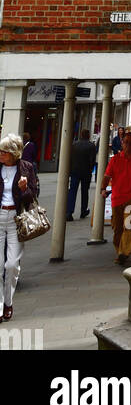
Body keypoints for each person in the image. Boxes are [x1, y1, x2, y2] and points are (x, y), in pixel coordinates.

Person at [0, 133, 39, 321]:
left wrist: (24, 189)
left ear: (14, 153)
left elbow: (33, 197)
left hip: (16, 219)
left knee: (12, 265)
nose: (0, 154)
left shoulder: (26, 168)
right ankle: (0, 307)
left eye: (4, 152)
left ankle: (8, 301)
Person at [100, 131, 131, 264]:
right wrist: (103, 189)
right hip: (117, 199)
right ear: (122, 143)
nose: (128, 145)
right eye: (126, 142)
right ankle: (120, 250)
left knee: (130, 227)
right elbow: (106, 176)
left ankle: (124, 252)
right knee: (117, 229)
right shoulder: (115, 159)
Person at [66, 128, 98, 221]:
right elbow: (92, 160)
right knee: (85, 192)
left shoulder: (74, 144)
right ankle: (83, 211)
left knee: (72, 191)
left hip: (74, 171)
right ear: (88, 135)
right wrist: (91, 169)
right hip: (86, 172)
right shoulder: (91, 146)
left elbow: (70, 158)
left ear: (81, 135)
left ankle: (69, 212)